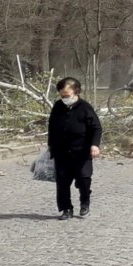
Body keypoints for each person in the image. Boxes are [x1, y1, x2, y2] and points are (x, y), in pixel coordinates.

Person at [47, 76, 102, 220]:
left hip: (82, 151)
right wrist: (51, 147)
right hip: (62, 151)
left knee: (84, 179)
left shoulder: (85, 107)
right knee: (62, 182)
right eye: (62, 95)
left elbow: (96, 127)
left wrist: (94, 145)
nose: (64, 98)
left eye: (67, 95)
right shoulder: (58, 106)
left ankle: (85, 202)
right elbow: (52, 128)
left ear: (76, 91)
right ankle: (66, 209)